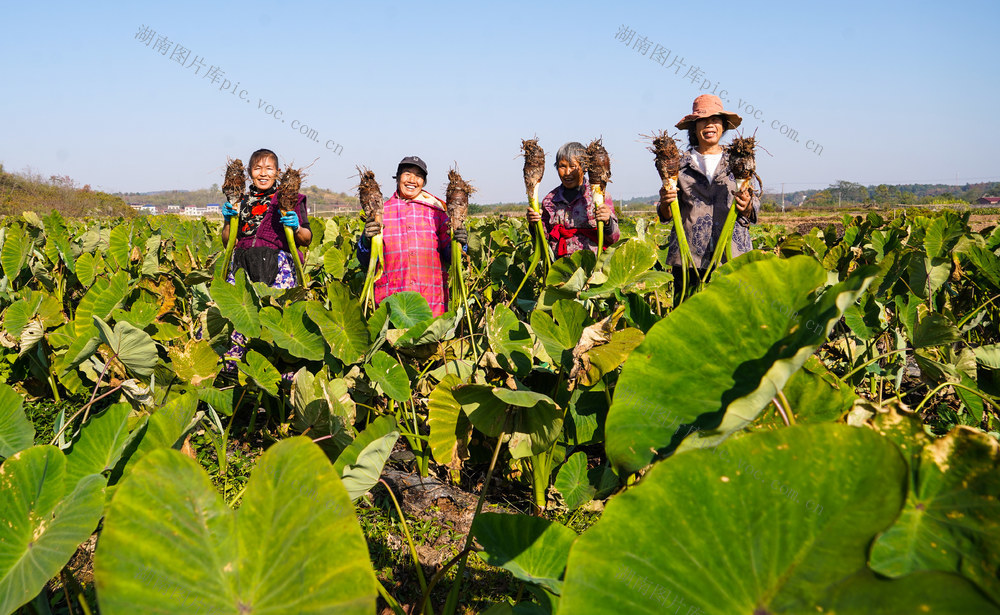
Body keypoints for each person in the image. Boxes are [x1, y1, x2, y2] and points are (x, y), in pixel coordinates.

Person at [657, 95, 758, 301]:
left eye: (715, 119)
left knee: (730, 321)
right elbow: (666, 215)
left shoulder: (739, 159)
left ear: (723, 126)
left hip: (731, 256)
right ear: (694, 127)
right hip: (689, 258)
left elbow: (753, 206)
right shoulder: (678, 164)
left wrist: (747, 205)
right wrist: (666, 201)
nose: (709, 124)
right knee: (688, 322)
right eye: (702, 120)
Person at [220, 148, 310, 369]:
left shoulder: (289, 198)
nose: (263, 173)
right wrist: (228, 219)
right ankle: (235, 372)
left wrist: (296, 226)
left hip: (279, 266)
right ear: (250, 173)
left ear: (277, 173)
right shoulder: (240, 200)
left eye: (269, 168)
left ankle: (279, 374)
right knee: (238, 316)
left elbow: (306, 238)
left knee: (278, 318)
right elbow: (226, 241)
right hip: (242, 264)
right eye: (258, 168)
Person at [358, 156, 467, 317]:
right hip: (391, 302)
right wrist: (366, 240)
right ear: (398, 178)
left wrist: (460, 243)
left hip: (431, 302)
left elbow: (451, 256)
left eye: (418, 176)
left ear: (423, 182)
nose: (412, 180)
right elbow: (364, 260)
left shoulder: (437, 214)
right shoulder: (381, 213)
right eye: (407, 173)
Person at [525, 141, 620, 258]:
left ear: (585, 168)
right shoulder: (549, 200)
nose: (567, 172)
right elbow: (543, 240)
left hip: (592, 268)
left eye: (573, 166)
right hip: (560, 269)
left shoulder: (600, 197)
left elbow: (614, 238)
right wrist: (534, 223)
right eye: (562, 166)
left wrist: (607, 222)